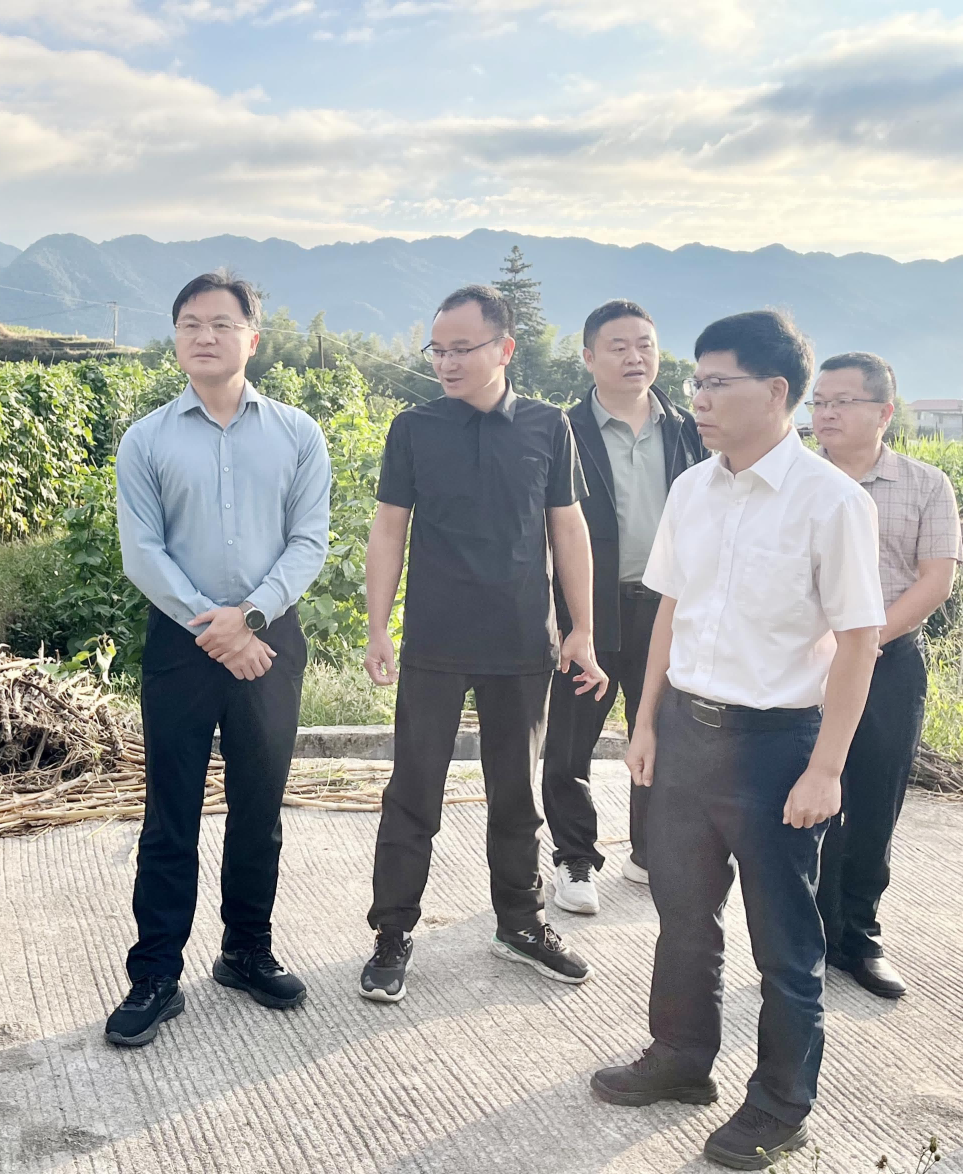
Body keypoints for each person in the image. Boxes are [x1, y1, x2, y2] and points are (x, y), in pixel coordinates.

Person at [590, 312, 884, 1170]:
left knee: (784, 943)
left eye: (718, 383)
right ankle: (681, 1058)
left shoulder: (832, 502)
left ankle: (782, 1104)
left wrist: (826, 768)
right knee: (683, 916)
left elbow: (859, 641)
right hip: (686, 731)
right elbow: (669, 612)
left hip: (776, 746)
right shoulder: (693, 489)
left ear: (777, 391)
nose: (699, 398)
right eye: (698, 382)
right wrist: (645, 723)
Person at [359, 284, 608, 1004]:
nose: (446, 362)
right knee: (413, 792)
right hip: (434, 641)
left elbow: (568, 529)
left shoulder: (547, 426)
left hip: (522, 643)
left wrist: (582, 629)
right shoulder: (414, 428)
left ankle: (521, 923)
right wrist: (378, 626)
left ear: (504, 349)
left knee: (516, 795)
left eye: (461, 349)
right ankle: (392, 932)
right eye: (436, 350)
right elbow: (389, 530)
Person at [106, 270, 331, 1047]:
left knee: (259, 810)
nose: (205, 336)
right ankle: (154, 973)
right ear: (176, 338)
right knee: (170, 813)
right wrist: (217, 627)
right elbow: (142, 552)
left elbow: (309, 541)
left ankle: (246, 950)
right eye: (191, 324)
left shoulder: (298, 434)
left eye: (222, 324)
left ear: (252, 339)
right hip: (182, 642)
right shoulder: (147, 440)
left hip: (270, 639)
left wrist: (251, 617)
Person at [542, 301, 707, 915]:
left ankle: (649, 850)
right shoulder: (561, 430)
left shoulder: (689, 429)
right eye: (618, 346)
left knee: (661, 733)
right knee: (570, 742)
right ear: (589, 357)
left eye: (645, 345)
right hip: (588, 611)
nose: (635, 357)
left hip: (669, 609)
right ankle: (575, 859)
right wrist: (561, 618)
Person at [810, 353, 959, 999]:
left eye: (842, 401)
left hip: (889, 663)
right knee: (802, 801)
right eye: (819, 402)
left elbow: (935, 580)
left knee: (874, 802)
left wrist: (866, 641)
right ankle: (804, 937)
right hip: (806, 663)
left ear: (884, 412)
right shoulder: (796, 480)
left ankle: (859, 937)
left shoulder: (925, 485)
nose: (826, 414)